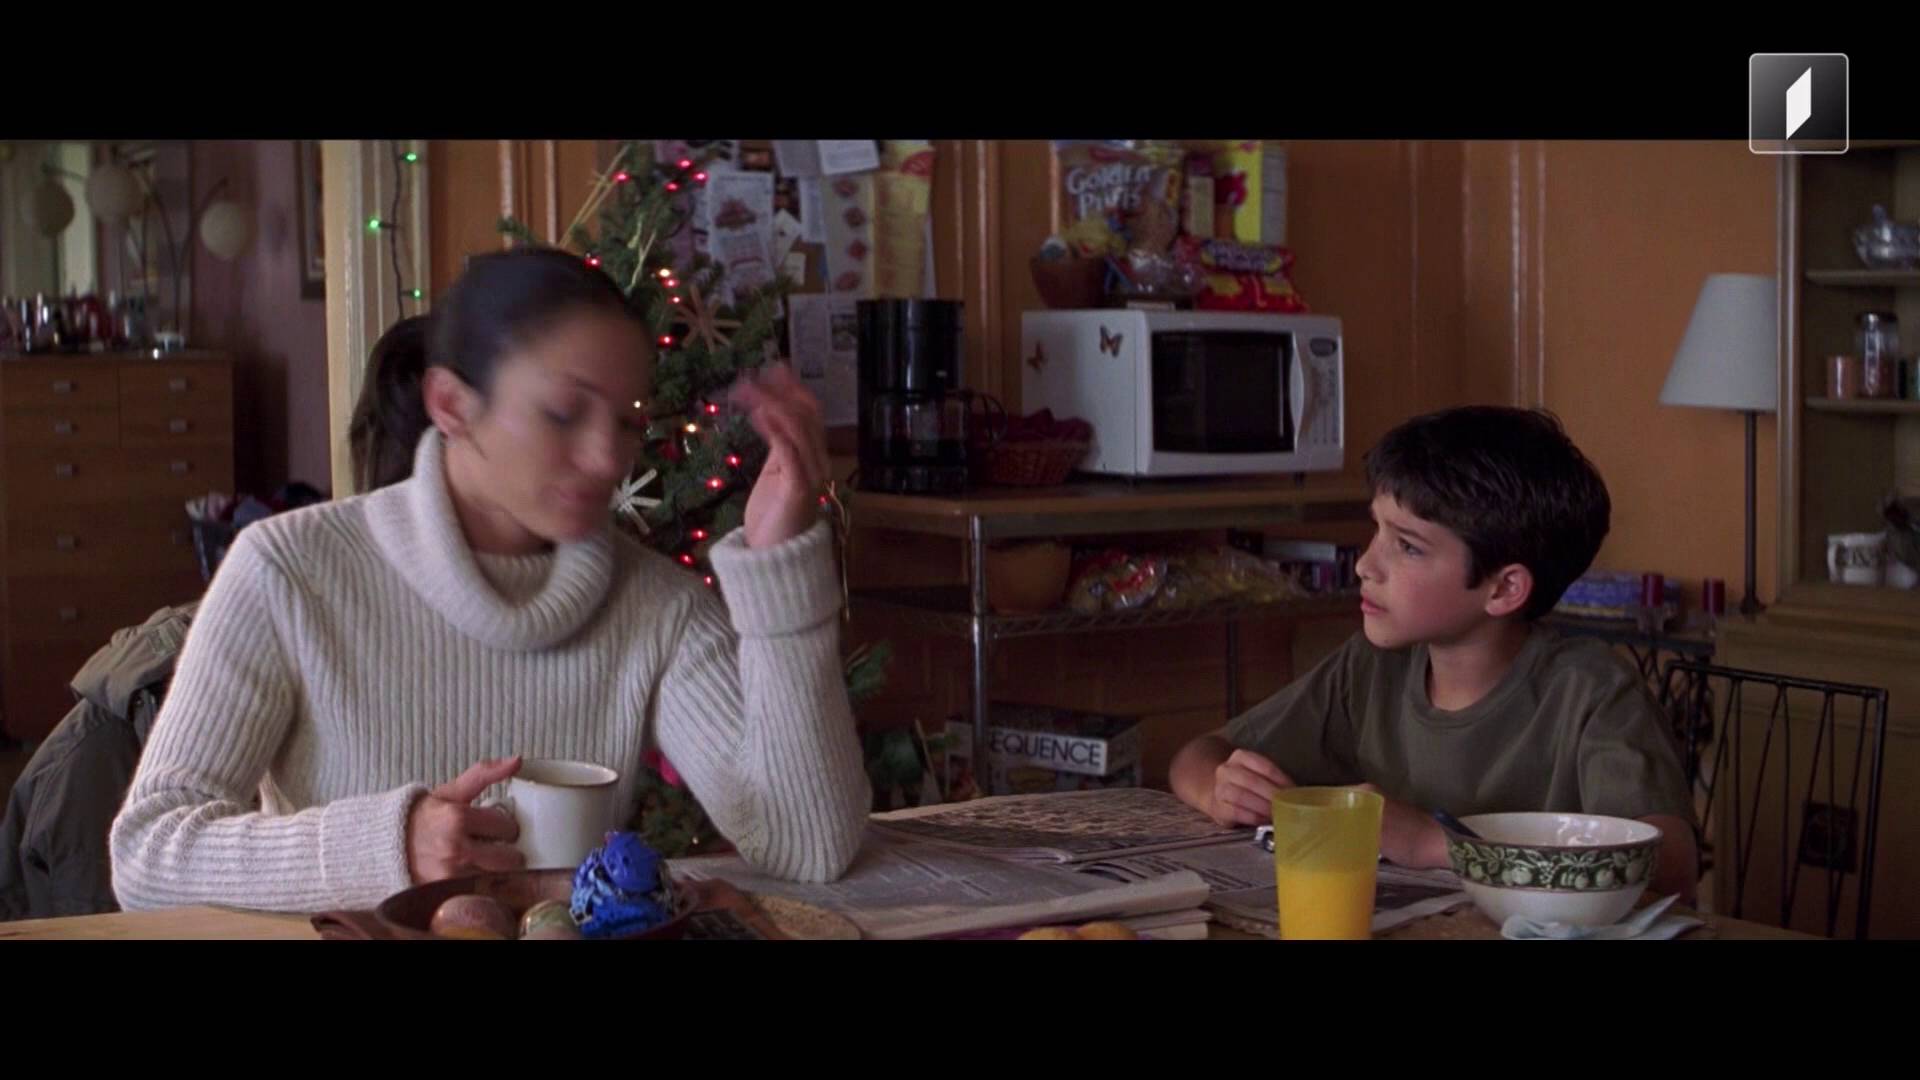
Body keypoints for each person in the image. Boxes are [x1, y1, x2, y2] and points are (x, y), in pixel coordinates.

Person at [111, 247, 869, 912]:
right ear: (451, 404)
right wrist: (388, 846)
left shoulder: (655, 606)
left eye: (628, 420)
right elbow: (147, 854)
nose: (608, 458)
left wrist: (779, 561)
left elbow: (807, 846)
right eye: (564, 412)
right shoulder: (287, 569)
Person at [1168, 406, 1699, 901]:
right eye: (1377, 529)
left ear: (1503, 589)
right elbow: (1197, 755)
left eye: (1408, 546)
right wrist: (1220, 790)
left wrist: (1434, 843)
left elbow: (1670, 866)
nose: (1366, 565)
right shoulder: (1373, 667)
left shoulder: (1594, 693)